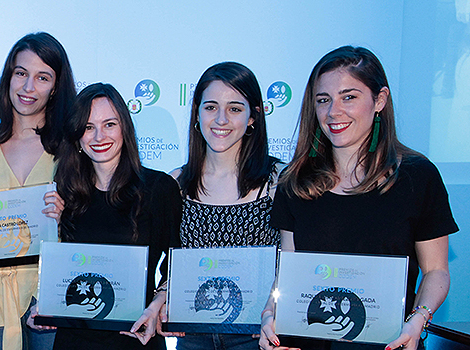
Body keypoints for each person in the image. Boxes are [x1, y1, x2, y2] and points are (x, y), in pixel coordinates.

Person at [259, 46, 458, 350]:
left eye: (348, 97)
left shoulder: (417, 177)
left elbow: (436, 271)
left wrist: (419, 318)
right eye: (323, 100)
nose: (333, 112)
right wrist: (271, 313)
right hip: (304, 343)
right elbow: (288, 272)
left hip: (389, 344)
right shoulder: (295, 181)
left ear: (380, 100)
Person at [0, 32, 74, 350]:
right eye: (21, 73)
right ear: (8, 77)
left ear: (56, 87)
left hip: (51, 294)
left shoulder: (72, 152)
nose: (28, 87)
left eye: (42, 77)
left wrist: (66, 216)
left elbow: (90, 231)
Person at [51, 83, 180, 350]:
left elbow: (177, 262)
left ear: (125, 128)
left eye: (109, 124)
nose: (99, 136)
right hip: (75, 339)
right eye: (88, 127)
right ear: (77, 137)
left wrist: (159, 303)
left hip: (134, 337)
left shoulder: (158, 188)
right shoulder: (66, 193)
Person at [163, 62, 280, 350]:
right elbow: (169, 261)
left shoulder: (278, 180)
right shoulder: (175, 183)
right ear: (197, 113)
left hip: (257, 335)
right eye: (211, 107)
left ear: (253, 116)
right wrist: (162, 297)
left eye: (235, 109)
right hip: (193, 335)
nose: (221, 119)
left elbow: (293, 260)